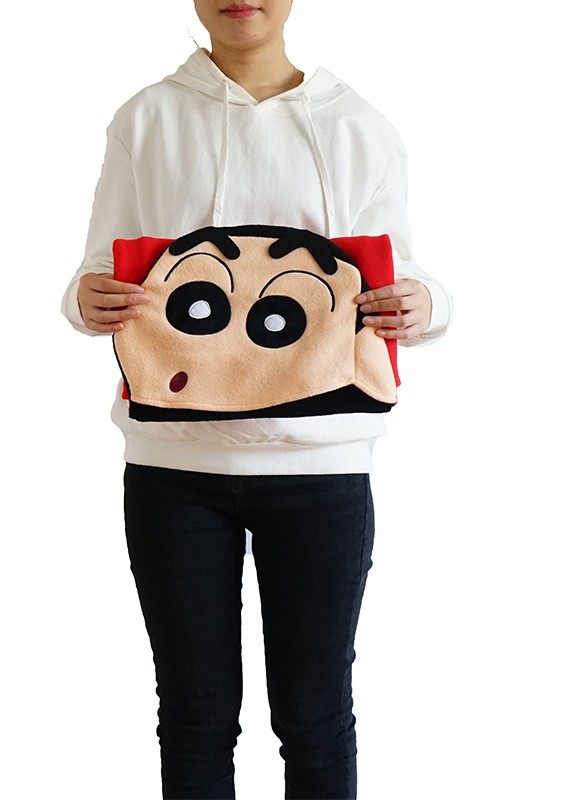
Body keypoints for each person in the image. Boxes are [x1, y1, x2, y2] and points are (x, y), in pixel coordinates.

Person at [60, 2, 453, 797]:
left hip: (321, 467)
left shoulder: (357, 126)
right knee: (195, 718)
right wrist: (83, 298)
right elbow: (100, 265)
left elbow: (401, 270)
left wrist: (427, 304)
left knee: (315, 718)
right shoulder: (146, 118)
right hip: (173, 465)